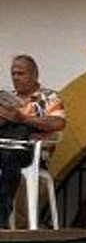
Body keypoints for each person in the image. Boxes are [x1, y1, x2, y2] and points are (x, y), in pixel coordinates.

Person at [0, 55, 64, 221]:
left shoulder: (48, 97)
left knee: (9, 158)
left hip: (31, 153)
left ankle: (2, 216)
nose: (16, 78)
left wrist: (23, 119)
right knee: (7, 156)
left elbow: (58, 123)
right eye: (13, 74)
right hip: (5, 145)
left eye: (21, 73)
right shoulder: (7, 97)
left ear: (34, 75)